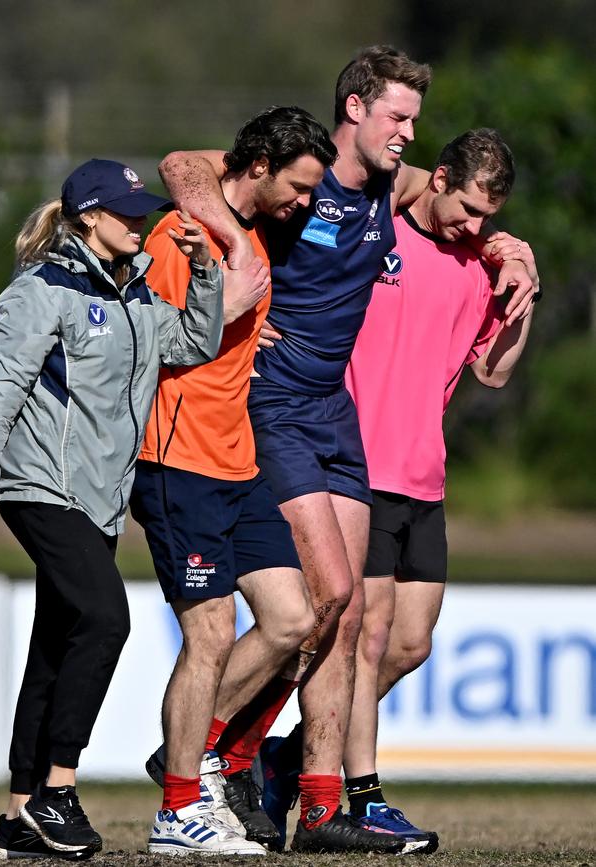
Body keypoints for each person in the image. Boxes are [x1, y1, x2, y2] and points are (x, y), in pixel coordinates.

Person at [157, 45, 537, 854]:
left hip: (336, 411)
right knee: (328, 593)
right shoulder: (307, 173)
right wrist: (236, 244)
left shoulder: (393, 189)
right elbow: (182, 166)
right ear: (357, 108)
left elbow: (449, 206)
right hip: (279, 403)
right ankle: (202, 752)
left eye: (415, 121)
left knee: (349, 610)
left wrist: (509, 247)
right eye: (398, 118)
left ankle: (323, 803)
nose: (409, 135)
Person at [0, 157, 258, 861]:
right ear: (89, 216)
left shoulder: (140, 294)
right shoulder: (41, 290)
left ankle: (17, 816)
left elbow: (193, 342)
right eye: (127, 211)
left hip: (98, 498)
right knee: (104, 617)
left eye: (143, 209)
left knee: (56, 643)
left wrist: (205, 274)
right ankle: (59, 787)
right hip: (38, 486)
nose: (141, 220)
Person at [130, 106, 340, 856]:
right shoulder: (177, 234)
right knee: (210, 632)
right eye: (299, 186)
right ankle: (178, 808)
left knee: (294, 619)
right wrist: (234, 305)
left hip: (237, 457)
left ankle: (190, 754)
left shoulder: (247, 236)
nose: (306, 205)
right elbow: (147, 343)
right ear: (258, 167)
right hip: (177, 454)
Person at [340, 128, 537, 847]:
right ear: (442, 177)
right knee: (366, 637)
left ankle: (295, 752)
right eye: (467, 209)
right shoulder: (378, 224)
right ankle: (361, 796)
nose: (476, 226)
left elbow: (495, 370)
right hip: (356, 466)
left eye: (490, 216)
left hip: (424, 475)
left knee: (411, 643)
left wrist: (526, 290)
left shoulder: (479, 266)